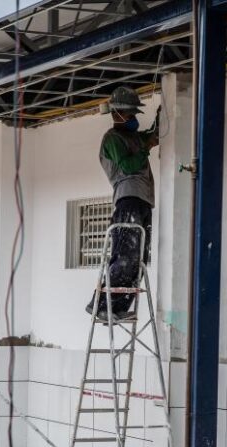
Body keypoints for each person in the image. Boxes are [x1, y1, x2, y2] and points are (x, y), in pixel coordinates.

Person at [85, 86, 160, 320]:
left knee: (139, 260)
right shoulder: (112, 138)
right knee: (125, 256)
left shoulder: (134, 137)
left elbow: (152, 135)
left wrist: (161, 118)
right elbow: (127, 166)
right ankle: (100, 305)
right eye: (130, 114)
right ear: (117, 113)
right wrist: (146, 147)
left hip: (143, 200)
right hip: (128, 200)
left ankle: (117, 308)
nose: (134, 117)